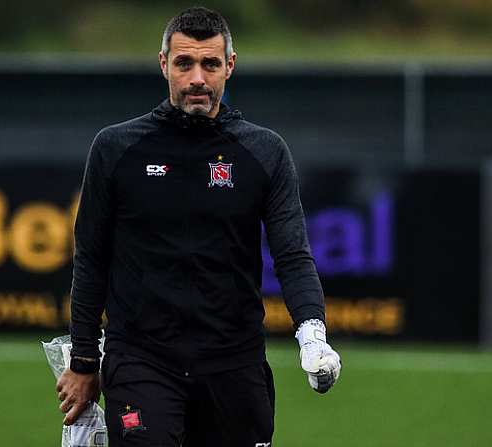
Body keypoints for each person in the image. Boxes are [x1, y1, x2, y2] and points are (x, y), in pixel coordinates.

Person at [56, 6, 341, 446]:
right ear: (163, 64)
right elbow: (91, 257)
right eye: (183, 63)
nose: (197, 79)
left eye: (210, 64)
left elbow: (292, 254)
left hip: (234, 363)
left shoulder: (264, 152)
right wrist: (82, 361)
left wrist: (313, 336)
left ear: (229, 66)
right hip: (141, 360)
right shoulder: (115, 148)